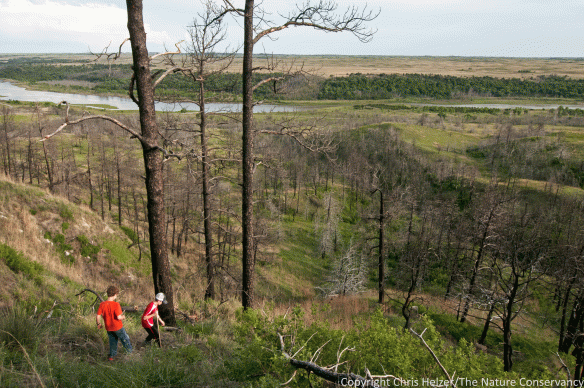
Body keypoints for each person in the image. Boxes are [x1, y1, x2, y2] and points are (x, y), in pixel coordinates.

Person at [96, 285, 132, 361]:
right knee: (125, 339)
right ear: (115, 294)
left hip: (109, 328)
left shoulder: (102, 304)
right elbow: (119, 317)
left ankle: (111, 357)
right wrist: (123, 317)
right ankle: (130, 355)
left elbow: (98, 315)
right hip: (117, 327)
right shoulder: (116, 304)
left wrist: (98, 323)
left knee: (112, 342)